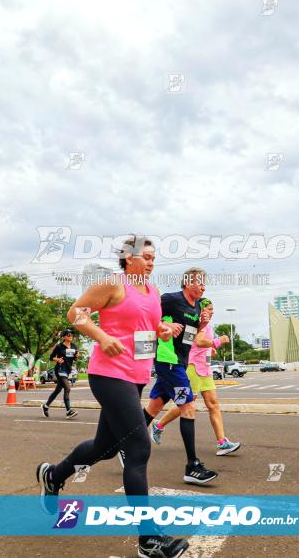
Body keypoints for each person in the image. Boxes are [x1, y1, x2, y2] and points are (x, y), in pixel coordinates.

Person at [36, 235, 188, 558]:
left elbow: (148, 326)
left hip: (135, 377)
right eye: (146, 256)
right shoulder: (113, 284)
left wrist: (164, 329)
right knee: (138, 447)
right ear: (128, 258)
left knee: (104, 447)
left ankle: (53, 475)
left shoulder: (154, 291)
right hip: (108, 374)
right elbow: (75, 313)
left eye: (153, 256)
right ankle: (148, 539)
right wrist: (102, 336)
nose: (151, 261)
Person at [142, 267, 218, 485]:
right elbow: (146, 313)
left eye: (205, 283)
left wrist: (202, 323)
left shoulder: (196, 308)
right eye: (200, 282)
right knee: (188, 406)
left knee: (154, 407)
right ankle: (192, 466)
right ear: (187, 283)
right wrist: (164, 325)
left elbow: (192, 339)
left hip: (179, 363)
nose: (204, 286)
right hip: (168, 361)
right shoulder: (171, 299)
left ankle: (123, 445)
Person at [151, 298, 241, 455]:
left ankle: (222, 442)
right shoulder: (196, 324)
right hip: (191, 369)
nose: (212, 312)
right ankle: (158, 426)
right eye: (209, 309)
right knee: (185, 404)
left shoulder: (206, 325)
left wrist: (210, 350)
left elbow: (197, 345)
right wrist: (217, 342)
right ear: (201, 310)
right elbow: (198, 342)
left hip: (204, 370)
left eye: (213, 309)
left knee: (213, 404)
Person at [42, 329, 79, 419]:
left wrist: (77, 356)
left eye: (72, 335)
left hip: (67, 370)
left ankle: (46, 406)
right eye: (68, 334)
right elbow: (51, 357)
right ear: (64, 336)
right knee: (67, 387)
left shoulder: (74, 346)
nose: (71, 336)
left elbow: (75, 359)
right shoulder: (59, 346)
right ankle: (68, 411)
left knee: (57, 390)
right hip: (60, 369)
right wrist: (57, 359)